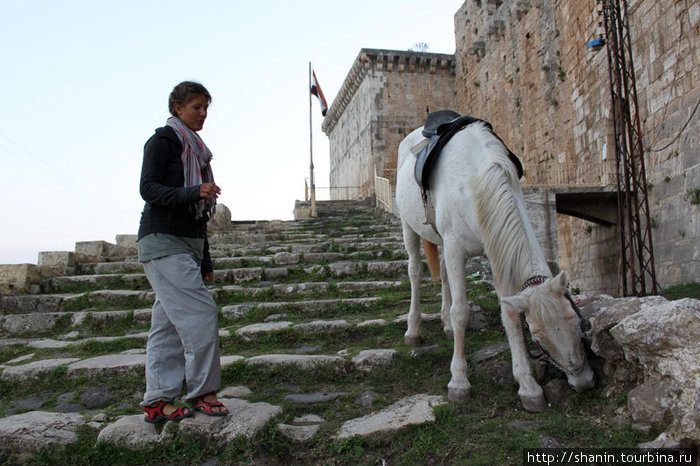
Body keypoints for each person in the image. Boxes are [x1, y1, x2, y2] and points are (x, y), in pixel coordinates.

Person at [138, 81, 228, 423]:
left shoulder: (199, 152)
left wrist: (204, 260)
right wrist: (193, 191)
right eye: (196, 107)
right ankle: (203, 392)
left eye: (206, 108)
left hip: (187, 247)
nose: (203, 114)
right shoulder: (163, 140)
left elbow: (200, 214)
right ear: (177, 108)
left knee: (167, 326)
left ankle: (158, 401)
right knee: (201, 313)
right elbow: (148, 188)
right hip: (162, 242)